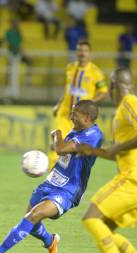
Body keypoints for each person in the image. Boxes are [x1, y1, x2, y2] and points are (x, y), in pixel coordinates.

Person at [0, 100, 103, 253]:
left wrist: (57, 134)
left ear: (87, 118)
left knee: (33, 215)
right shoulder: (77, 130)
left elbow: (60, 148)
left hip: (68, 190)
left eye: (75, 114)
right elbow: (64, 154)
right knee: (30, 220)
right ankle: (50, 241)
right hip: (51, 182)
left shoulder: (93, 135)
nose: (70, 116)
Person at [78, 68, 137, 253]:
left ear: (114, 86)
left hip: (134, 180)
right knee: (105, 228)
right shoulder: (125, 111)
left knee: (91, 218)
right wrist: (91, 151)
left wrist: (119, 146)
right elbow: (116, 153)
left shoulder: (129, 103)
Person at [50, 40, 107, 169]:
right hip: (65, 112)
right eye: (80, 50)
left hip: (81, 116)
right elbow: (66, 90)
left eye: (85, 51)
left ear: (89, 53)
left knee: (71, 146)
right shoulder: (69, 68)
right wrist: (58, 105)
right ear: (77, 52)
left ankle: (66, 171)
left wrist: (91, 103)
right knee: (58, 140)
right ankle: (52, 171)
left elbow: (104, 92)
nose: (82, 53)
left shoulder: (96, 72)